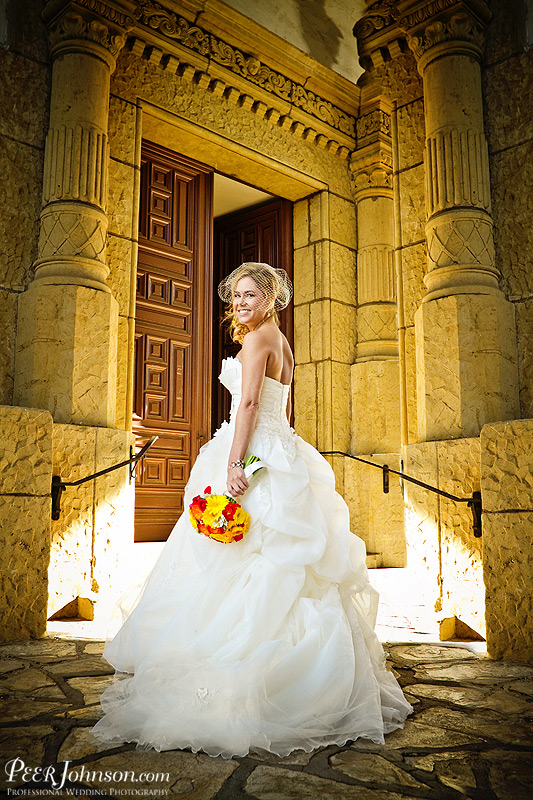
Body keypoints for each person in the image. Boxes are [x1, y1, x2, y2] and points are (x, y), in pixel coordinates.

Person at [91, 262, 413, 759]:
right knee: (267, 558)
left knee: (246, 555)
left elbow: (248, 406)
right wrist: (267, 453)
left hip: (253, 449)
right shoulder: (278, 340)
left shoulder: (257, 340)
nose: (240, 303)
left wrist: (237, 462)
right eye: (236, 296)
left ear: (270, 298)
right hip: (276, 448)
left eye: (250, 295)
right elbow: (279, 414)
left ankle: (245, 670)